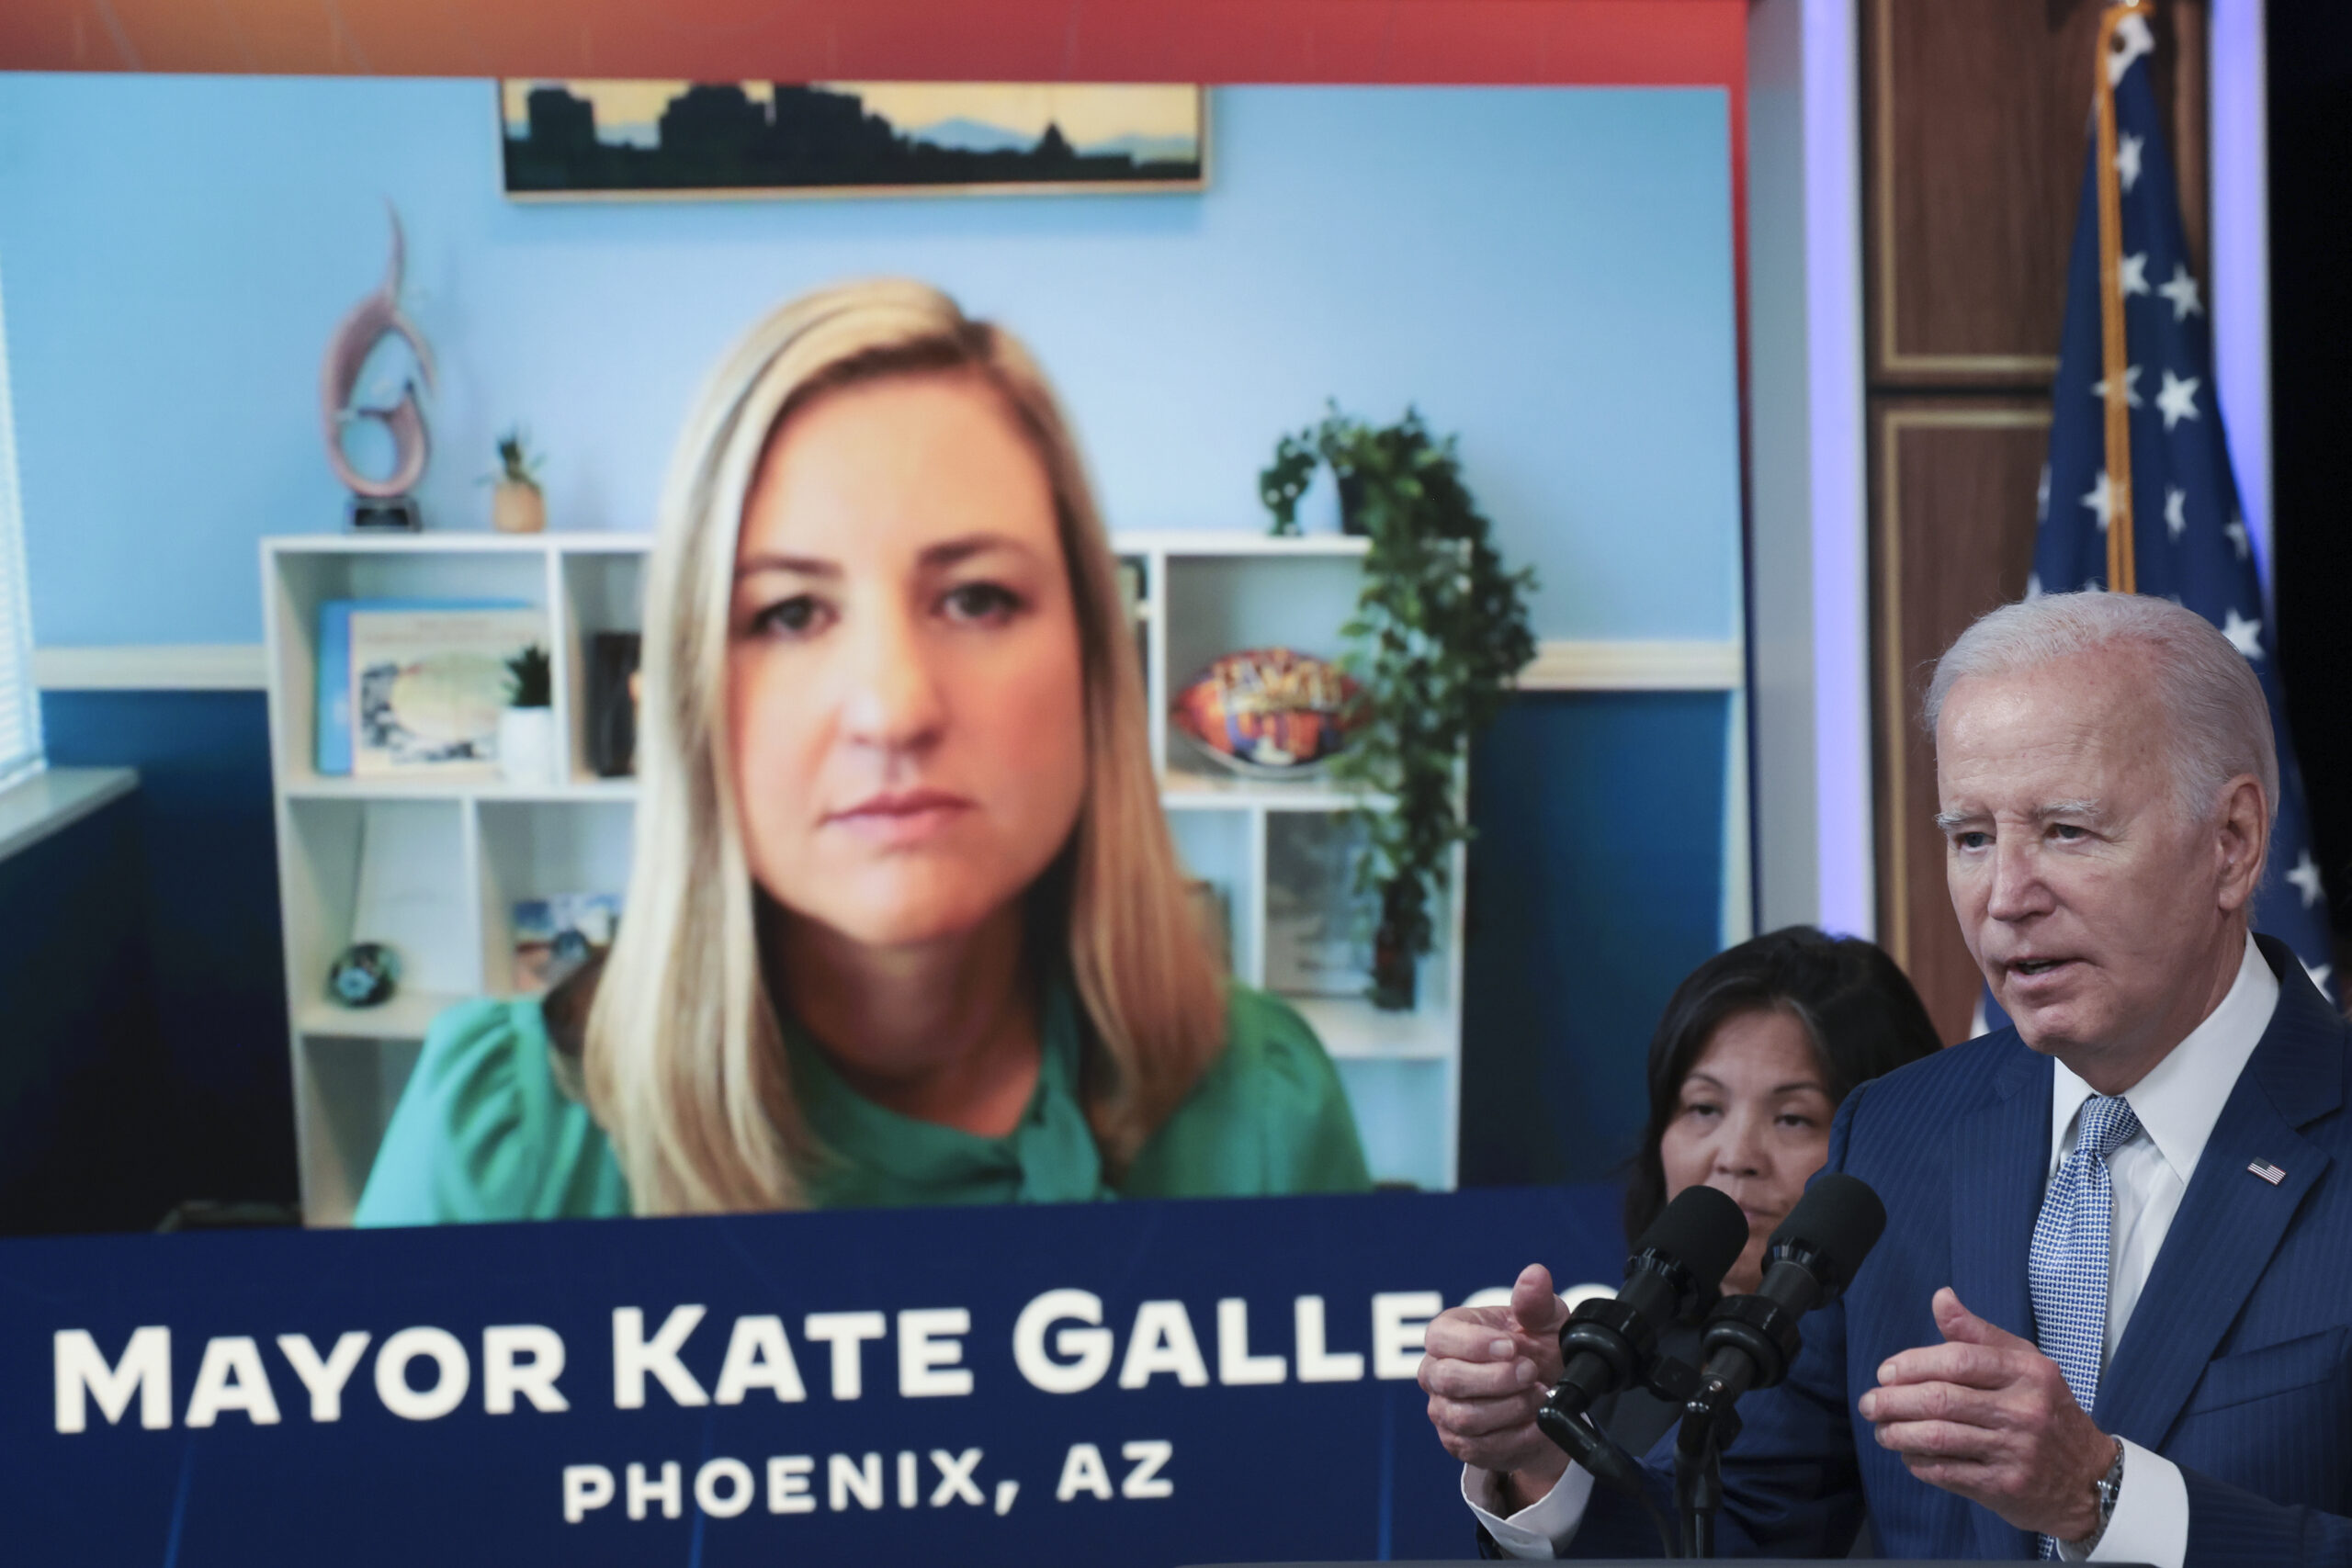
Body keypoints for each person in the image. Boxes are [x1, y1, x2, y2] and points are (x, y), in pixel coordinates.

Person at [355, 279, 1370, 1224]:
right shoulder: (497, 1152)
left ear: (1095, 670)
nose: (891, 708)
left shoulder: (1266, 1116)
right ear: (686, 703)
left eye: (976, 599)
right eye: (790, 612)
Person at [1425, 590, 2352, 1566]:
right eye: (1971, 838)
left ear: (2233, 842)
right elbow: (1739, 1531)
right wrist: (1541, 1466)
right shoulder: (1899, 1136)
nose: (2005, 898)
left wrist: (2105, 1499)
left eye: (2068, 832)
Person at [1575, 926, 1941, 1459]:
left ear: (1898, 1145)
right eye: (1704, 1108)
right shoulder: (1620, 1372)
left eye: (1793, 1119)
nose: (1736, 1156)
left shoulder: (1923, 1390)